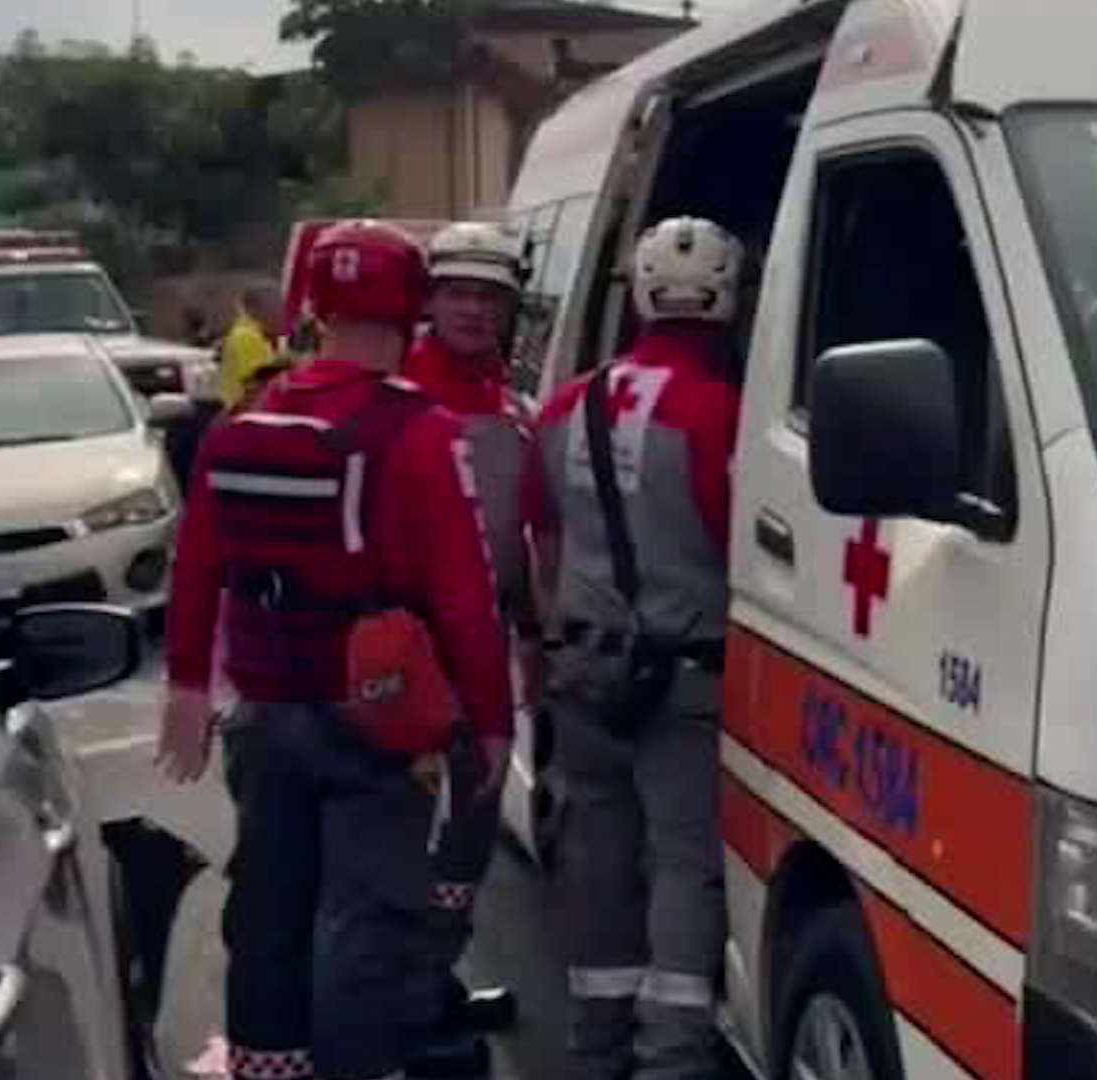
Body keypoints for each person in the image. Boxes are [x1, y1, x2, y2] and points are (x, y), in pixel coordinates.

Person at [157, 220, 513, 1080]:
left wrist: (186, 688)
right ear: (411, 307)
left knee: (270, 911)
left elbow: (197, 561)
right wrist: (492, 726)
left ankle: (267, 1067)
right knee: (372, 920)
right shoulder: (420, 433)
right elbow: (467, 598)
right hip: (378, 719)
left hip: (265, 713)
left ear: (312, 304)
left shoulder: (247, 416)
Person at [522, 216, 742, 1080]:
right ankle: (674, 1059)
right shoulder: (717, 412)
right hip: (683, 678)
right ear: (726, 299)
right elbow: (741, 550)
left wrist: (546, 642)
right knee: (685, 861)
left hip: (581, 666)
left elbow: (543, 540)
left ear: (640, 293)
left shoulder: (567, 405)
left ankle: (596, 1043)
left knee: (598, 858)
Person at [401, 221, 542, 1066]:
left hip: (481, 650)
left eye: (489, 296)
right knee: (406, 842)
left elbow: (521, 538)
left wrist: (534, 635)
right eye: (457, 292)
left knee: (468, 837)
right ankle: (407, 1010)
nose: (473, 310)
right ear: (428, 301)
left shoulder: (514, 412)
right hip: (401, 662)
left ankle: (433, 986)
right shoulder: (398, 398)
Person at [218, 281, 287, 410]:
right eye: (274, 307)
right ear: (254, 310)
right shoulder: (248, 337)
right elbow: (262, 385)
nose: (280, 313)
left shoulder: (251, 333)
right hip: (246, 414)